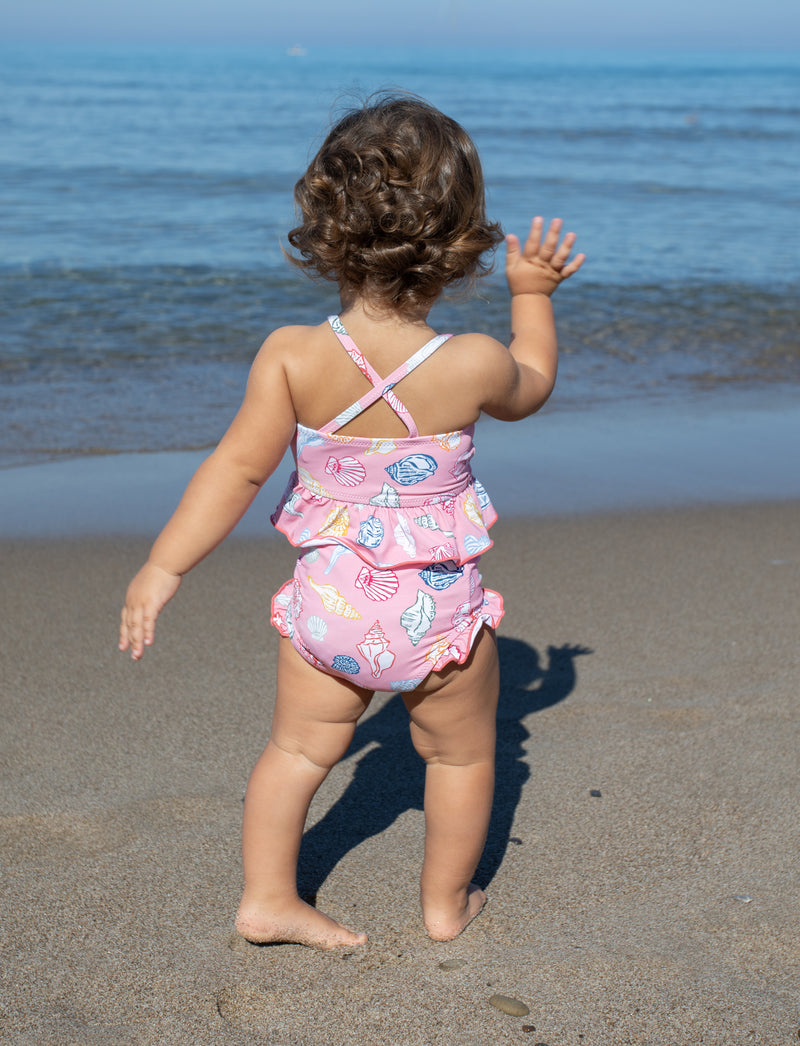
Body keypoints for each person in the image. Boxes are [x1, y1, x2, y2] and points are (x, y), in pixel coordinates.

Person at [119, 94, 584, 950]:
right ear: (459, 243)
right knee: (461, 757)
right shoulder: (472, 364)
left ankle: (268, 899)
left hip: (330, 608)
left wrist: (165, 565)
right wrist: (533, 293)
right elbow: (534, 381)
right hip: (437, 617)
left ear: (325, 222)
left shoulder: (293, 356)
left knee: (296, 755)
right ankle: (444, 906)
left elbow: (236, 468)